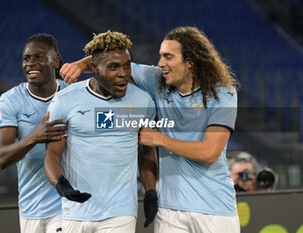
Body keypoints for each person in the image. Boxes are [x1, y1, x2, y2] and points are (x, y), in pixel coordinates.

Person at [60, 26, 240, 233]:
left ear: (190, 61)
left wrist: (160, 139)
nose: (160, 63)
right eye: (160, 56)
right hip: (169, 211)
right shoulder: (157, 81)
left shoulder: (222, 94)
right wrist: (79, 65)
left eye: (168, 57)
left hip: (215, 209)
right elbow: (110, 62)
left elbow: (209, 152)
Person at [44, 31, 158, 233]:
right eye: (113, 67)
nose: (123, 73)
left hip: (120, 213)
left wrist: (151, 191)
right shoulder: (65, 100)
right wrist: (60, 184)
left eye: (126, 65)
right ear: (94, 68)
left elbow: (147, 152)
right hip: (75, 210)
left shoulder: (143, 101)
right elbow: (52, 154)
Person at [0, 33, 68, 233]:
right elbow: (2, 157)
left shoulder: (72, 94)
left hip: (66, 206)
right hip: (30, 206)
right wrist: (35, 137)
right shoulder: (10, 100)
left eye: (39, 57)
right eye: (26, 58)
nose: (31, 63)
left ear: (56, 61)